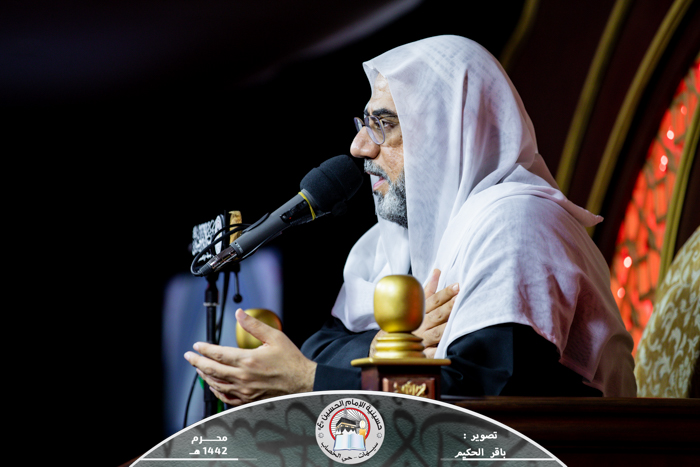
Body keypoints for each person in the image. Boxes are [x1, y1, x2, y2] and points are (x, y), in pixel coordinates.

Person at [184, 35, 637, 406]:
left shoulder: (516, 223)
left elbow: (485, 402)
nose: (360, 147)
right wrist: (388, 345)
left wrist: (309, 381)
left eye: (385, 124)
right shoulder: (391, 245)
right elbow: (320, 345)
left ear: (450, 131)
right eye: (365, 123)